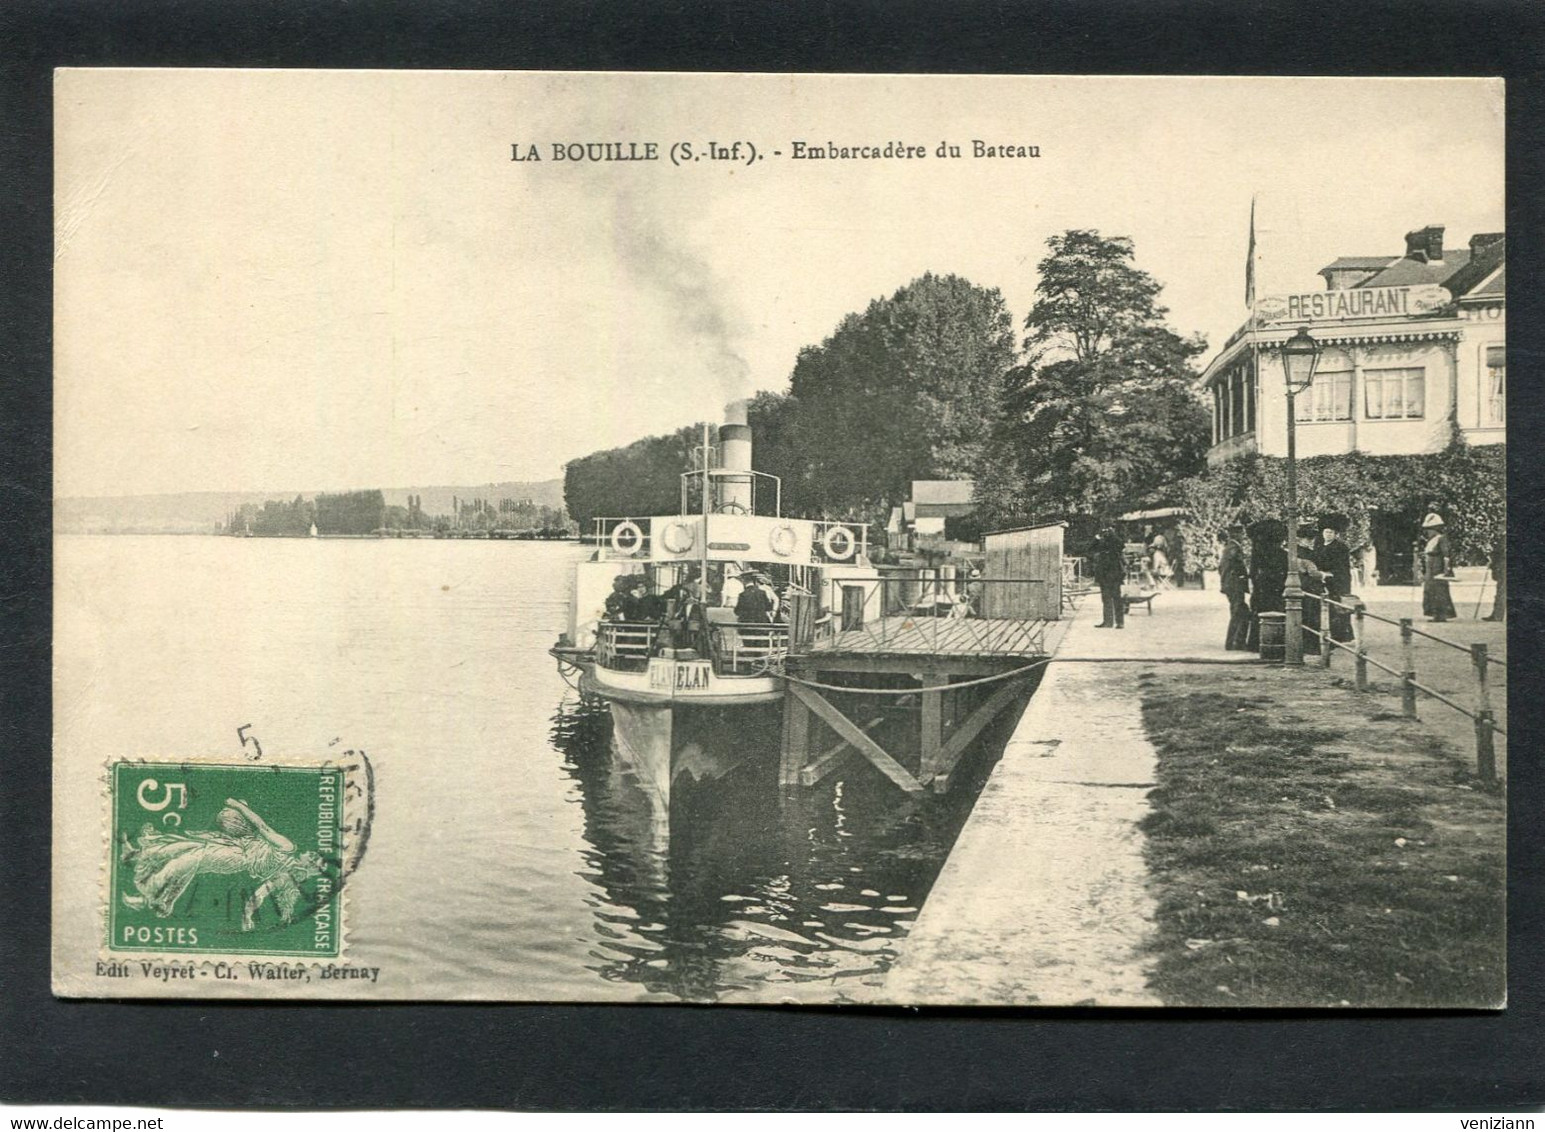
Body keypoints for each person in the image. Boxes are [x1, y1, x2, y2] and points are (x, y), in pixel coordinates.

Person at [119, 798, 325, 931]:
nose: (310, 853)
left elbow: (262, 826)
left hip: (238, 857)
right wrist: (248, 917)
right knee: (189, 846)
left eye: (313, 857)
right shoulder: (286, 874)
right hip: (237, 846)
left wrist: (238, 806)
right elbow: (259, 895)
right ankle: (138, 858)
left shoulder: (288, 849)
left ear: (310, 866)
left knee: (192, 857)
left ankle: (149, 895)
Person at [1245, 519, 1287, 651]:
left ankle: (1255, 643)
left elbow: (1252, 572)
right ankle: (1274, 643)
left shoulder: (1257, 551)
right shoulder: (1280, 554)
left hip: (1260, 588)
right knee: (1275, 613)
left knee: (1258, 613)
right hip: (1274, 588)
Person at [1218, 524, 1252, 651]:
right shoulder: (1234, 548)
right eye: (1241, 534)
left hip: (1230, 584)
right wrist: (1244, 576)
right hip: (1235, 584)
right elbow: (1236, 566)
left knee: (1240, 612)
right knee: (1238, 612)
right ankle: (1233, 643)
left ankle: (1235, 642)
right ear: (1236, 534)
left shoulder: (1228, 547)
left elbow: (1222, 568)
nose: (1243, 537)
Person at [1295, 523, 1326, 656]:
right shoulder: (1307, 554)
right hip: (1310, 585)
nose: (1311, 541)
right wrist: (1324, 575)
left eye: (1312, 538)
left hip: (1300, 584)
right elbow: (1313, 572)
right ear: (1301, 539)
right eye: (1308, 538)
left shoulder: (1294, 551)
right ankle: (1312, 647)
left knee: (1305, 615)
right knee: (1312, 615)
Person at [1421, 512, 1457, 622]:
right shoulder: (1430, 541)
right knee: (1430, 591)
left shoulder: (1441, 539)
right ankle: (1435, 613)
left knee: (1440, 592)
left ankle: (1442, 614)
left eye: (1430, 529)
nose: (1427, 532)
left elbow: (1446, 555)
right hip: (1430, 569)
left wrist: (1446, 570)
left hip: (1438, 568)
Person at [1092, 526, 1126, 629]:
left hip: (1114, 575)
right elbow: (1091, 548)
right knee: (1107, 598)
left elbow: (1121, 545)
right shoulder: (1101, 543)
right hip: (1106, 575)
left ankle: (1118, 622)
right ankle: (1108, 621)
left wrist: (1111, 534)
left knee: (1116, 598)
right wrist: (1097, 538)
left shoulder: (1116, 543)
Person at [1483, 525, 1505, 622]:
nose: (1498, 530)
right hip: (1500, 566)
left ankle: (1497, 616)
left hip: (1503, 567)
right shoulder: (1502, 538)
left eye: (1499, 528)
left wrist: (1492, 558)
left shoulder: (1504, 538)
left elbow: (1500, 553)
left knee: (1501, 592)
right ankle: (1496, 614)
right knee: (1500, 591)